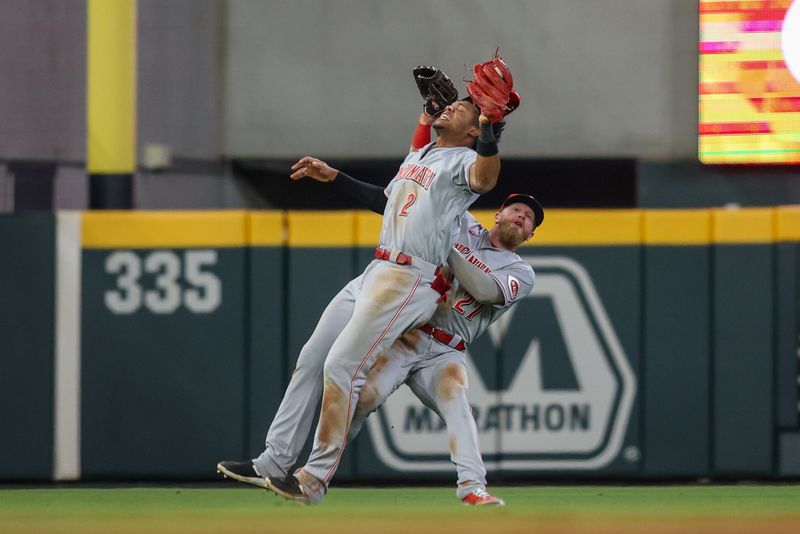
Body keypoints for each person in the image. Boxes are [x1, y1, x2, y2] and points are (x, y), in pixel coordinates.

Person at [220, 93, 507, 504]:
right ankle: (274, 460)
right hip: (377, 269)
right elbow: (386, 201)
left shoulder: (464, 163)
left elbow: (485, 178)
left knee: (343, 366)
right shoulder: (424, 153)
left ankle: (313, 480)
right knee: (313, 357)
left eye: (458, 109)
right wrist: (334, 176)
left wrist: (490, 125)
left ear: (472, 131)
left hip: (410, 277)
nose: (448, 108)